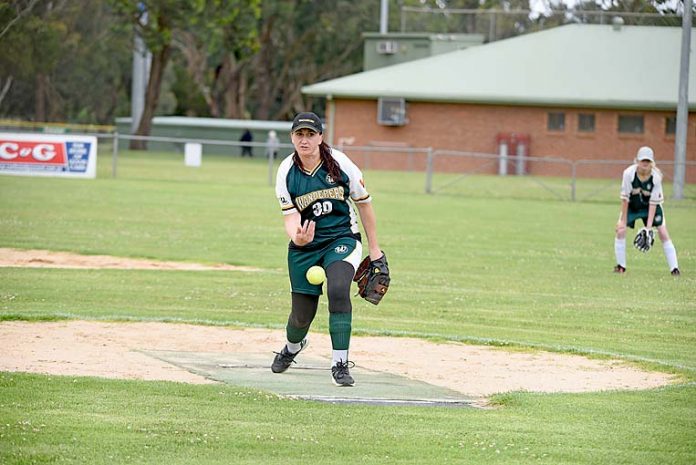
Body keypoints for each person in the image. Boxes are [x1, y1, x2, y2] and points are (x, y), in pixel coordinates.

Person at [272, 112, 384, 386]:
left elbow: (364, 204)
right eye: (299, 134)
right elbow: (289, 216)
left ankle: (340, 364)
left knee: (338, 289)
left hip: (341, 238)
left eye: (311, 134)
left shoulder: (340, 163)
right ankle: (293, 347)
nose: (305, 140)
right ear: (292, 138)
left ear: (321, 137)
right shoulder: (286, 170)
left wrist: (375, 249)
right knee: (301, 317)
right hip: (305, 247)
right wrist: (297, 238)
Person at [614, 146, 680, 275]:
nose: (645, 163)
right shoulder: (629, 174)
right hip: (632, 205)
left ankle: (674, 269)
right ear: (637, 161)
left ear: (652, 163)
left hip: (650, 207)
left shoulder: (656, 177)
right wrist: (622, 221)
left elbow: (653, 203)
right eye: (642, 160)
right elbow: (625, 199)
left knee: (663, 232)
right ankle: (621, 266)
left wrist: (648, 228)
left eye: (648, 161)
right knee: (620, 231)